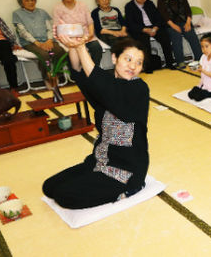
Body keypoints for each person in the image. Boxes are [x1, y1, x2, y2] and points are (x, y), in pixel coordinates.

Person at [42, 36, 150, 209]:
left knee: (65, 196)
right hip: (100, 160)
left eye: (138, 62)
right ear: (114, 58)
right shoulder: (105, 83)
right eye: (128, 59)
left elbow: (105, 86)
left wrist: (82, 46)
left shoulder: (139, 89)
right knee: (49, 187)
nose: (132, 66)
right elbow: (79, 71)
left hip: (125, 169)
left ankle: (132, 187)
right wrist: (73, 46)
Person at [13, 0, 67, 79]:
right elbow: (23, 32)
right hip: (30, 43)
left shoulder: (42, 12)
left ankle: (58, 75)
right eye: (27, 0)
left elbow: (50, 27)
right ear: (21, 2)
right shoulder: (17, 14)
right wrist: (38, 44)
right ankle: (48, 78)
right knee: (44, 55)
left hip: (47, 40)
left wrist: (49, 40)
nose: (30, 2)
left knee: (59, 51)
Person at [125, 0, 175, 72]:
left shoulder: (150, 3)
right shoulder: (129, 6)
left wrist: (155, 28)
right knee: (144, 40)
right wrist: (144, 29)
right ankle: (148, 67)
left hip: (153, 27)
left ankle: (170, 63)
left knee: (165, 36)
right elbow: (131, 24)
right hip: (140, 29)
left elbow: (158, 18)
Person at [53, 0, 103, 65]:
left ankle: (95, 71)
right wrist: (69, 40)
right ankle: (78, 75)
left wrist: (90, 35)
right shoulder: (57, 8)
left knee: (96, 47)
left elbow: (90, 22)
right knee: (72, 55)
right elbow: (58, 28)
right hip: (69, 39)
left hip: (86, 36)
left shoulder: (82, 5)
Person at [157, 0, 202, 67]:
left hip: (184, 22)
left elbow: (188, 10)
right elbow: (163, 14)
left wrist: (188, 22)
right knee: (176, 36)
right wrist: (173, 26)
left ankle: (200, 58)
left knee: (192, 35)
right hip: (170, 24)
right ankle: (180, 61)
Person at [188, 32, 211, 101]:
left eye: (207, 46)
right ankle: (202, 89)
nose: (204, 49)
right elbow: (200, 68)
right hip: (205, 84)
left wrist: (202, 70)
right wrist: (195, 69)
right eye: (202, 47)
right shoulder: (203, 57)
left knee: (198, 97)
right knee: (191, 94)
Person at [0, 12, 18, 90]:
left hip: (1, 42)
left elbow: (8, 32)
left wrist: (14, 43)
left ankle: (14, 87)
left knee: (9, 60)